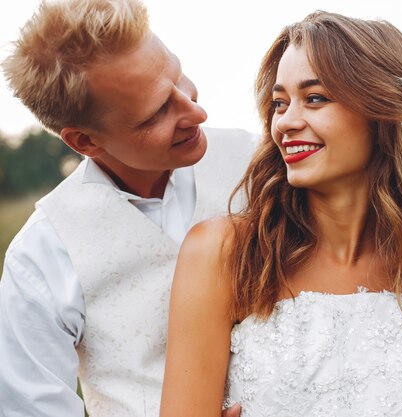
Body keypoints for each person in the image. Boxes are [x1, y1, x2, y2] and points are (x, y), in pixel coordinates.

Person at [160, 10, 402, 417]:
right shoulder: (221, 254)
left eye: (315, 98)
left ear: (382, 110)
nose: (286, 122)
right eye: (279, 103)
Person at [0, 1, 254, 416]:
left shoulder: (262, 165)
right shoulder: (42, 259)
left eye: (178, 76)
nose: (196, 111)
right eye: (157, 112)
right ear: (85, 142)